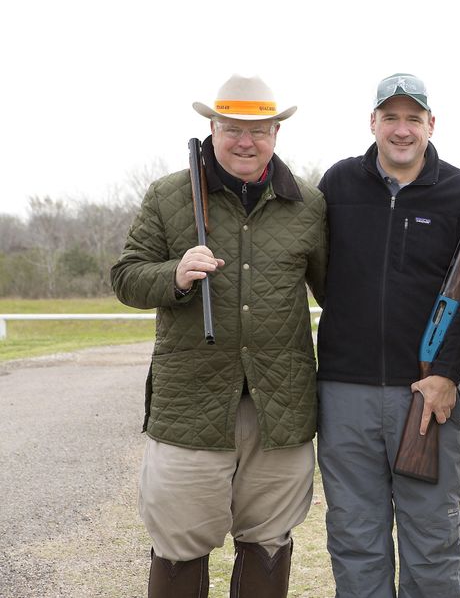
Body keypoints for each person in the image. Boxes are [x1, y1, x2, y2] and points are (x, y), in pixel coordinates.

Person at [111, 74, 328, 597]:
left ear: (276, 133)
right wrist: (174, 274)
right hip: (191, 403)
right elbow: (125, 276)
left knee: (270, 539)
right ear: (212, 127)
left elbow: (337, 295)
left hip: (281, 405)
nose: (245, 141)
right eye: (233, 128)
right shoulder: (168, 196)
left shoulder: (309, 205)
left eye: (259, 130)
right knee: (179, 541)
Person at [314, 73, 460, 598]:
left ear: (430, 125)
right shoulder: (338, 185)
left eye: (412, 118)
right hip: (346, 392)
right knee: (354, 537)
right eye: (390, 117)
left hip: (429, 394)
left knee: (433, 540)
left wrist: (444, 375)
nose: (401, 129)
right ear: (373, 123)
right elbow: (321, 271)